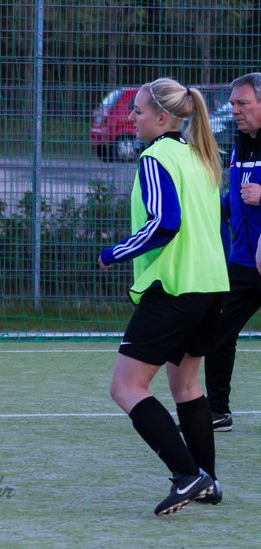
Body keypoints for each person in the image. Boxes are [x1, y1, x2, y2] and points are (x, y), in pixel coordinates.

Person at [99, 77, 227, 515]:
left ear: (162, 117)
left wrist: (114, 252)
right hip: (210, 288)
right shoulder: (199, 156)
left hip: (174, 289)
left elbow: (164, 224)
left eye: (136, 111)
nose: (131, 118)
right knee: (186, 385)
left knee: (125, 387)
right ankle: (206, 480)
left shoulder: (156, 157)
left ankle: (187, 475)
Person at [203, 71, 261, 432]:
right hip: (242, 263)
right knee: (217, 333)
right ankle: (217, 411)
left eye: (242, 103)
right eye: (233, 103)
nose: (234, 109)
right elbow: (238, 196)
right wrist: (211, 207)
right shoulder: (241, 142)